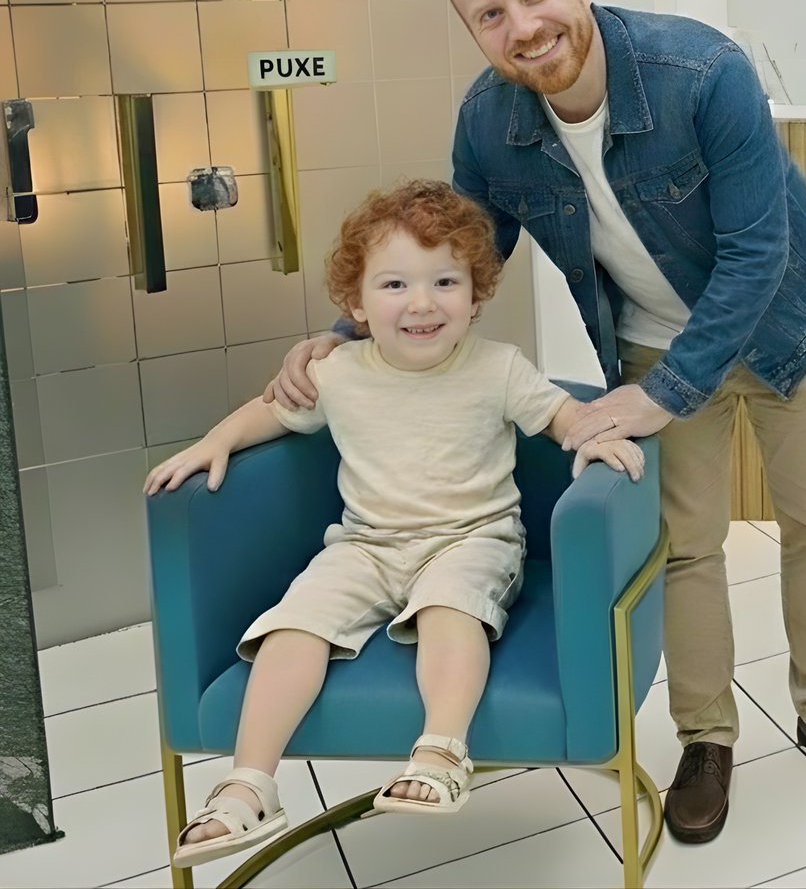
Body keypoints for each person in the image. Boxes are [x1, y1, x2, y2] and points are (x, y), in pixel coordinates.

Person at [267, 0, 806, 844]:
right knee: (686, 547)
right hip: (644, 343)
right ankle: (708, 739)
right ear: (473, 31)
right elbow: (457, 254)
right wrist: (341, 336)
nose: (521, 26)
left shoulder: (702, 73)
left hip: (785, 326)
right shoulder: (489, 121)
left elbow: (760, 252)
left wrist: (670, 391)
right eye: (489, 14)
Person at [147, 180, 644, 868]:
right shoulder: (339, 372)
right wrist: (217, 440)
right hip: (367, 545)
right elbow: (271, 412)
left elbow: (557, 414)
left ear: (475, 296)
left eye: (445, 281)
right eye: (394, 285)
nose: (421, 303)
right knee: (295, 624)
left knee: (450, 609)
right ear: (356, 304)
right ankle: (249, 784)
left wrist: (589, 434)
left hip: (472, 541)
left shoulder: (498, 368)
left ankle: (442, 751)